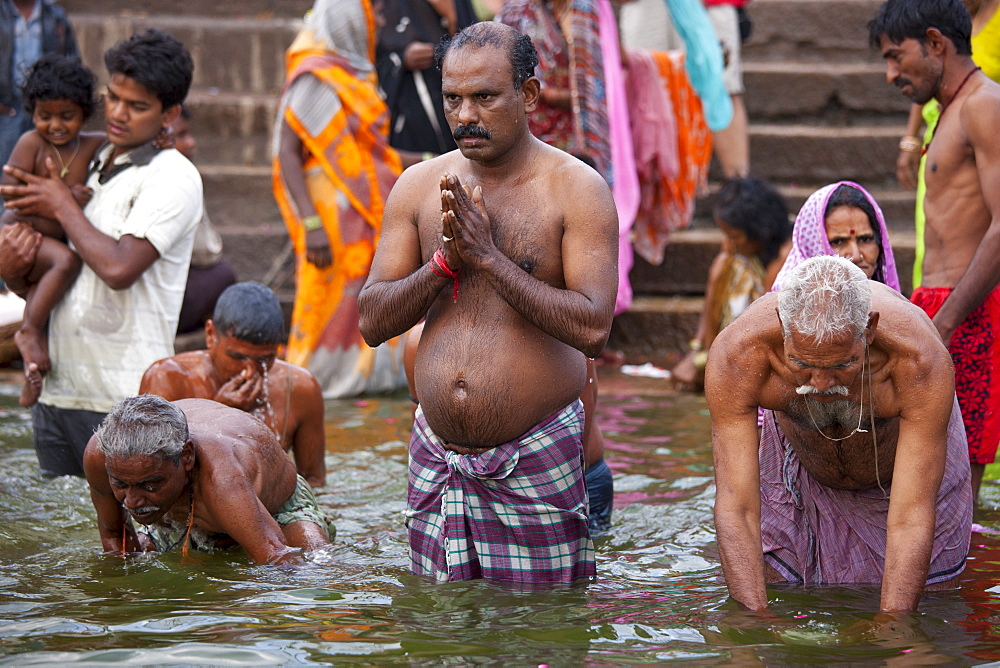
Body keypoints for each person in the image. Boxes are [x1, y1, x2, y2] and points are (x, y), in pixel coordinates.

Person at [357, 21, 619, 583]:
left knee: (542, 631)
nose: (465, 116)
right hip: (435, 455)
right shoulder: (419, 186)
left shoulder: (576, 189)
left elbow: (594, 328)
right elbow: (372, 320)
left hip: (536, 449)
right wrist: (444, 265)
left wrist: (490, 259)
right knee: (437, 629)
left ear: (527, 94)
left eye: (484, 97)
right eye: (453, 99)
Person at [706, 255, 972, 612]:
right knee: (780, 600)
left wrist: (893, 625)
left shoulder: (918, 361)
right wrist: (754, 623)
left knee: (934, 605)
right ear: (784, 325)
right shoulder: (739, 355)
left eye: (842, 365)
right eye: (802, 364)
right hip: (799, 474)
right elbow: (737, 506)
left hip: (902, 480)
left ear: (869, 329)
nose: (821, 385)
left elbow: (911, 516)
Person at [0, 29, 203, 478]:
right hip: (58, 391)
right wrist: (13, 271)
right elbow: (51, 268)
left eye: (137, 106)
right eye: (112, 98)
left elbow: (116, 267)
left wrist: (59, 203)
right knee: (62, 537)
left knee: (128, 541)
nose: (118, 113)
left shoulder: (173, 176)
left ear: (170, 113)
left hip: (126, 402)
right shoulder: (86, 158)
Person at [870, 0, 1000, 502]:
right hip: (937, 305)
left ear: (936, 43)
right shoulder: (946, 111)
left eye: (897, 57)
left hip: (971, 313)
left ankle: (962, 581)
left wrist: (943, 323)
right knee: (918, 478)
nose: (890, 74)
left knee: (954, 486)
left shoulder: (983, 105)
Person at [272, 0, 413, 399]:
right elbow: (285, 153)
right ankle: (309, 383)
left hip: (364, 212)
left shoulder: (355, 74)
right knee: (324, 301)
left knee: (362, 297)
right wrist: (311, 224)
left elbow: (370, 154)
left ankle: (365, 378)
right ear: (351, 21)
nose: (381, 21)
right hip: (326, 219)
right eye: (375, 14)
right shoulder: (314, 75)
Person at [83, 395, 333, 564]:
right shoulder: (100, 457)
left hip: (275, 511)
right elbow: (116, 540)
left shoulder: (222, 478)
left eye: (150, 485)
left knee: (315, 566)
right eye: (120, 484)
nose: (133, 501)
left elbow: (276, 559)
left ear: (187, 457)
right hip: (186, 515)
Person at [139, 281, 327, 487]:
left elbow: (313, 480)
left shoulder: (301, 387)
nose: (250, 371)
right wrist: (217, 414)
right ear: (210, 335)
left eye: (264, 360)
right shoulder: (167, 378)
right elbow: (149, 474)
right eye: (237, 356)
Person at [1, 54, 104, 408]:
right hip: (22, 233)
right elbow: (12, 197)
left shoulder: (92, 145)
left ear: (84, 113)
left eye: (67, 116)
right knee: (66, 263)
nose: (55, 125)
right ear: (33, 113)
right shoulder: (31, 144)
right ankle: (27, 333)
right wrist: (66, 200)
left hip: (47, 237)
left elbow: (136, 144)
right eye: (45, 116)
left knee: (54, 288)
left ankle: (33, 371)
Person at [894, 0, 999, 288]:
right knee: (933, 231)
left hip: (987, 140)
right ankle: (931, 308)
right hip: (939, 137)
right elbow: (927, 75)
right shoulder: (947, 15)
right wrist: (910, 138)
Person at [671, 177, 790, 390]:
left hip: (767, 345)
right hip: (733, 343)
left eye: (734, 236)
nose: (729, 242)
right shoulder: (737, 248)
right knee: (723, 263)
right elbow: (713, 294)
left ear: (760, 232)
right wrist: (696, 351)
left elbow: (762, 325)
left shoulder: (785, 256)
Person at [376, 0, 476, 156]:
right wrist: (402, 60)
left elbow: (478, 50)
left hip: (456, 104)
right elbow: (359, 61)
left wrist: (451, 16)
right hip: (408, 119)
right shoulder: (376, 7)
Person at [170, 106, 237, 336]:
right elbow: (206, 252)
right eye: (180, 136)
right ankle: (216, 341)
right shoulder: (179, 179)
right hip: (162, 297)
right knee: (223, 274)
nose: (190, 143)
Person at [771, 181, 900, 292]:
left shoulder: (891, 305)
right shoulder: (786, 310)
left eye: (865, 239)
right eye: (838, 242)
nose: (855, 256)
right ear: (812, 247)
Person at [0, 0, 78, 166]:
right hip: (7, 105)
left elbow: (72, 60)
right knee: (7, 164)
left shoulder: (55, 15)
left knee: (46, 161)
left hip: (47, 102)